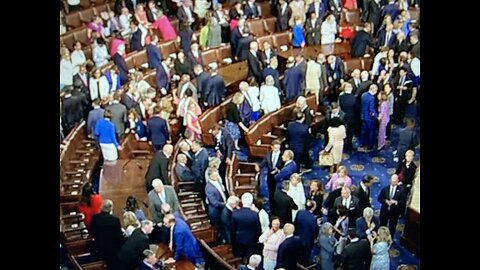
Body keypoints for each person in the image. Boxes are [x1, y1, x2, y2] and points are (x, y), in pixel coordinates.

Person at [90, 199, 125, 270]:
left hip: (99, 247)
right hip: (112, 250)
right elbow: (119, 236)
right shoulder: (115, 220)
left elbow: (92, 232)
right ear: (111, 208)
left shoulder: (95, 218)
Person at [232, 192, 262, 261]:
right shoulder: (254, 215)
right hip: (252, 240)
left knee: (241, 258)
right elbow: (258, 229)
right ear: (251, 202)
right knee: (250, 258)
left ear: (242, 201)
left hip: (239, 240)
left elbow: (233, 229)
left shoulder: (235, 214)